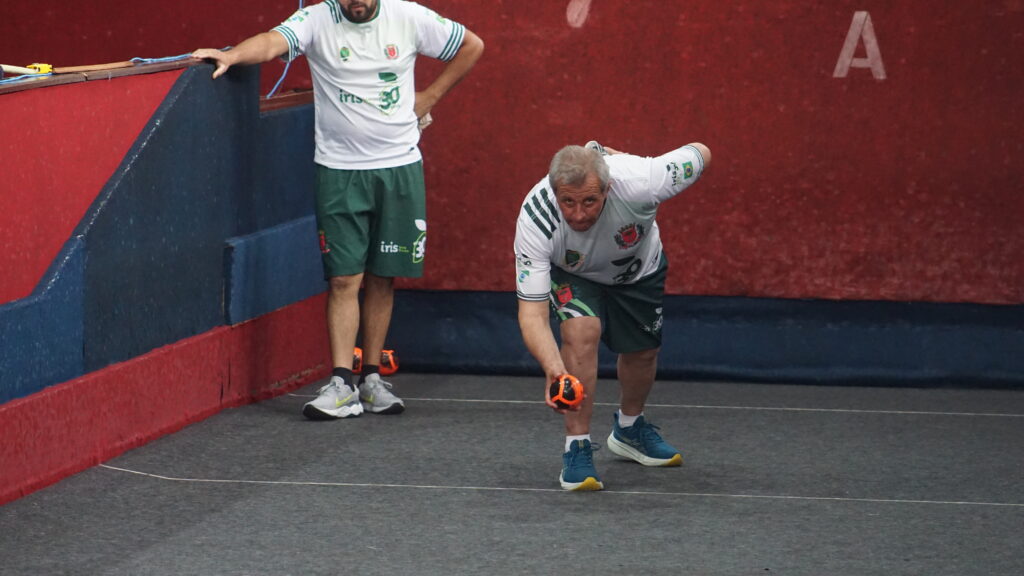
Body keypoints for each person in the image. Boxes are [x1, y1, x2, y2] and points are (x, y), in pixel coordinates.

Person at [193, 0, 483, 419]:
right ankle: (342, 384)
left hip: (399, 167)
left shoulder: (409, 16)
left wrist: (430, 95)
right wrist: (233, 55)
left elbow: (472, 45)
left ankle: (372, 380)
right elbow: (272, 42)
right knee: (344, 278)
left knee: (382, 277)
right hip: (338, 171)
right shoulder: (316, 19)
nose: (355, 2)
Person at [514, 140, 711, 491]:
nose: (578, 214)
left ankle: (629, 429)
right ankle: (576, 447)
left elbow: (702, 152)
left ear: (608, 188)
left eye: (589, 201)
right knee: (581, 332)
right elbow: (532, 314)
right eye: (568, 202)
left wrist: (626, 157)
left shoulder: (645, 179)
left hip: (638, 271)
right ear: (554, 192)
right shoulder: (536, 217)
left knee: (642, 352)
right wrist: (555, 372)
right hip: (573, 273)